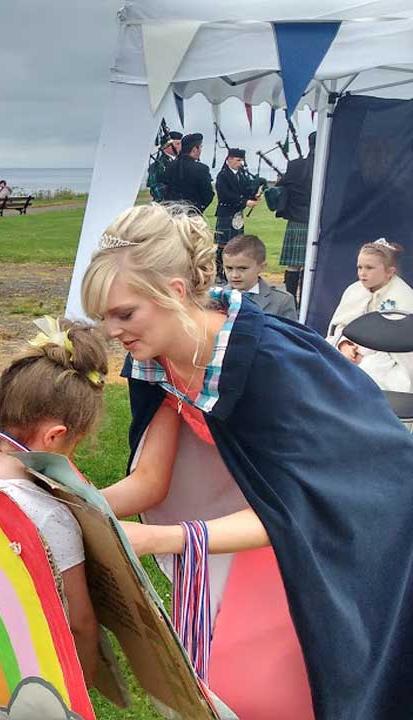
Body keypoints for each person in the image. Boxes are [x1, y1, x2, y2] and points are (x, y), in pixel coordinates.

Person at [82, 202, 413, 720]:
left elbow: (302, 508)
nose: (111, 331)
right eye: (104, 317)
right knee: (233, 683)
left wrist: (161, 539)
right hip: (270, 519)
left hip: (359, 520)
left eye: (124, 314)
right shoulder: (159, 352)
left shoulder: (269, 366)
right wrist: (72, 506)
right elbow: (150, 480)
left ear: (171, 292)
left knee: (292, 684)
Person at [0, 318, 106, 685]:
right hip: (33, 678)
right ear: (55, 437)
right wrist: (82, 690)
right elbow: (79, 622)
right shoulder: (50, 518)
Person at [327, 239, 413, 392]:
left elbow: (399, 346)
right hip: (351, 350)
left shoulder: (404, 297)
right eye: (359, 267)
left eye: (369, 268)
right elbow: (341, 325)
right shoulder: (354, 290)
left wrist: (363, 356)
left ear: (389, 272)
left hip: (387, 361)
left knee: (369, 374)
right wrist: (344, 345)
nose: (362, 273)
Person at [275, 132, 316, 304]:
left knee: (293, 265)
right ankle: (307, 301)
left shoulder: (295, 165)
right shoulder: (328, 164)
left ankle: (291, 301)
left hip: (296, 220)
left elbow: (281, 187)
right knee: (310, 265)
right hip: (317, 222)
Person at [220, 234, 297, 320]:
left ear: (262, 267)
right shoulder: (215, 298)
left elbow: (287, 332)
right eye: (229, 268)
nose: (234, 275)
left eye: (242, 268)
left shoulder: (281, 301)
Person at [213, 148, 259, 282]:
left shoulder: (241, 175)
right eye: (238, 160)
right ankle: (219, 272)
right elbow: (225, 195)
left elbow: (245, 190)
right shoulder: (223, 175)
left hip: (237, 214)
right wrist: (245, 202)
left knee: (236, 245)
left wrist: (253, 196)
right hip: (226, 213)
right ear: (229, 159)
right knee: (223, 245)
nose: (240, 163)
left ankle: (232, 269)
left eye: (241, 161)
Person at [162, 133, 213, 213]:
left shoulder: (170, 166)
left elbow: (165, 191)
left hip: (173, 215)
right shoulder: (202, 169)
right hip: (193, 215)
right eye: (200, 147)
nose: (201, 150)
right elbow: (208, 195)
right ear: (194, 149)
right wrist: (198, 209)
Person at [147, 131, 183, 202]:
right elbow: (157, 191)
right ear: (167, 146)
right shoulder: (157, 166)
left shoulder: (180, 162)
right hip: (166, 208)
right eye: (178, 144)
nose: (181, 147)